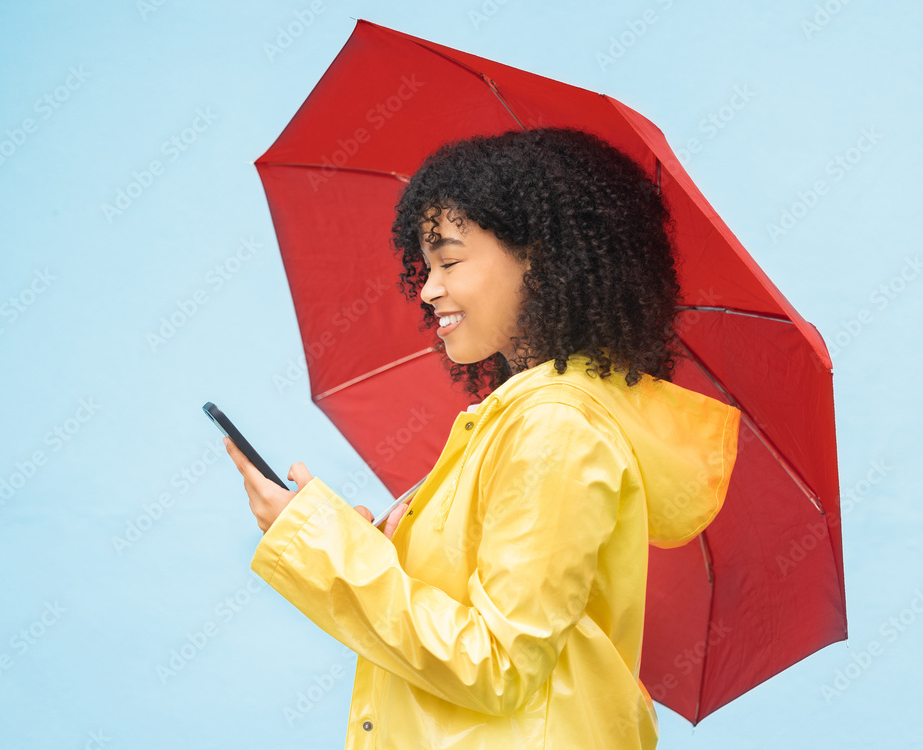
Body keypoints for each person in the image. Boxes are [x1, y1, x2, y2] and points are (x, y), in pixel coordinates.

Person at [224, 127, 741, 749]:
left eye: (450, 261)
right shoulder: (524, 418)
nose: (428, 288)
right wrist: (381, 552)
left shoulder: (555, 430)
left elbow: (497, 666)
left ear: (540, 260)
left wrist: (321, 548)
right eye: (427, 264)